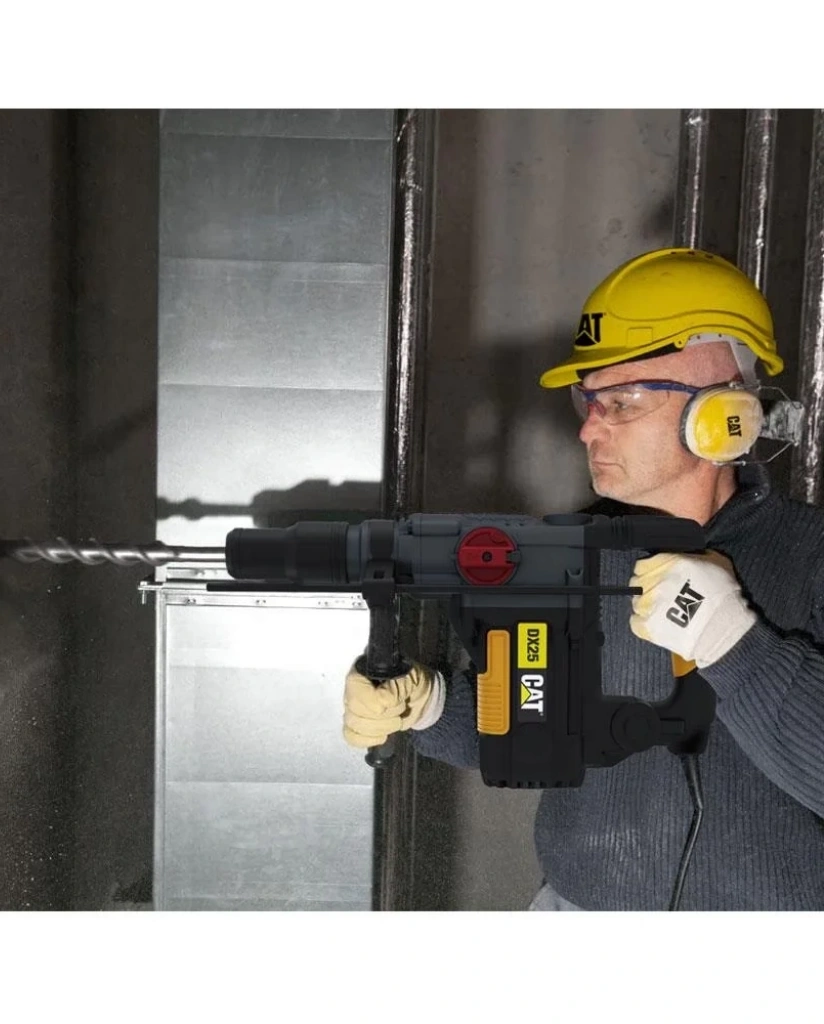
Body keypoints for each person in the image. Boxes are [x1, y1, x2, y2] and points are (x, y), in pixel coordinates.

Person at [342, 247, 824, 911]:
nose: (589, 430)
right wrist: (429, 706)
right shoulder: (568, 555)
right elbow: (530, 727)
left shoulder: (812, 555)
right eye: (588, 401)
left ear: (723, 415)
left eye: (621, 402)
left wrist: (735, 645)